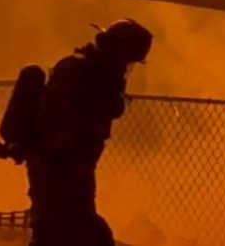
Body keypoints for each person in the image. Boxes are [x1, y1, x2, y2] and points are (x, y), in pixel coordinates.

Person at [26, 19, 153, 246]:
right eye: (126, 60)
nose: (125, 67)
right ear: (115, 51)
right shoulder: (76, 73)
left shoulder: (99, 77)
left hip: (75, 169)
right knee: (57, 230)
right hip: (56, 167)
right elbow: (57, 127)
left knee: (77, 231)